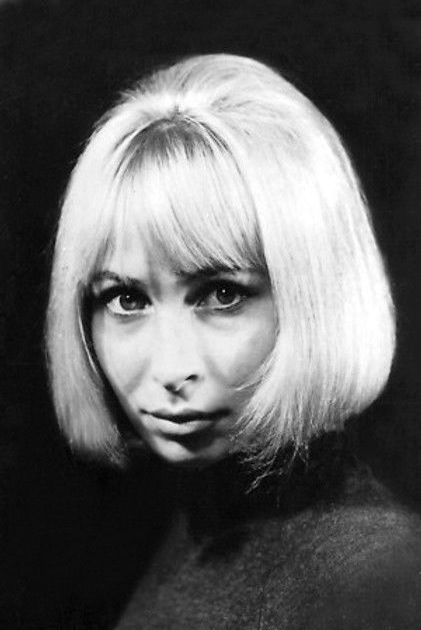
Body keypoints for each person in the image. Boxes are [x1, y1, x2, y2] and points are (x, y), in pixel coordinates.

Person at [46, 54, 421, 628]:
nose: (171, 367)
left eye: (221, 295)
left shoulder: (371, 576)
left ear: (314, 295)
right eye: (127, 299)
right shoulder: (197, 529)